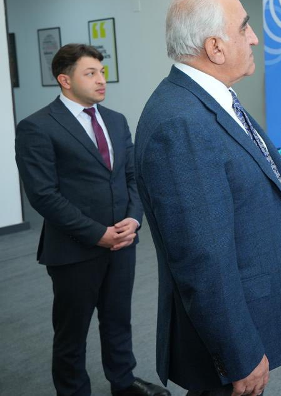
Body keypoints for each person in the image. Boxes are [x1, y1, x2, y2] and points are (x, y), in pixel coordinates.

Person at [135, 0, 281, 395]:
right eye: (244, 27)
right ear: (215, 47)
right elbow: (202, 259)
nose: (254, 38)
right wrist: (239, 354)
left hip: (252, 309)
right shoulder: (181, 124)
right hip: (228, 338)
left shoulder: (209, 100)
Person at [15, 44, 169, 396]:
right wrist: (97, 233)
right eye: (90, 73)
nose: (101, 80)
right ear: (65, 80)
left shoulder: (115, 120)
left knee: (118, 319)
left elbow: (132, 177)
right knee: (72, 331)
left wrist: (134, 220)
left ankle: (123, 381)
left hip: (123, 242)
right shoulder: (37, 127)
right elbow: (43, 195)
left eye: (102, 72)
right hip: (74, 249)